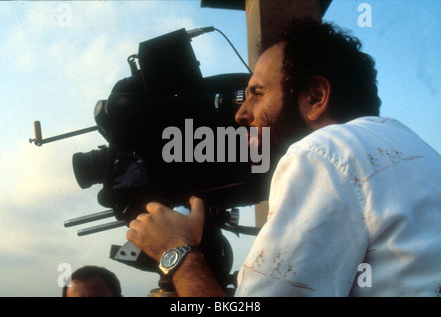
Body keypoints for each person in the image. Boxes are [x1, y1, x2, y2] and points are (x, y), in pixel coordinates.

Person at [126, 19, 441, 296]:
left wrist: (177, 253)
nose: (241, 113)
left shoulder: (323, 152)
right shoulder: (417, 151)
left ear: (315, 97)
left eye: (257, 93)